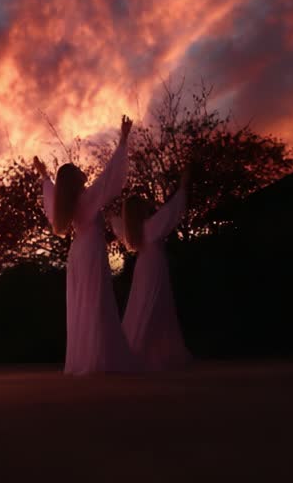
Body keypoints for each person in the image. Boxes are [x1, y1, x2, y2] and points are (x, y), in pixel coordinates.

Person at [34, 115, 136, 374]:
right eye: (79, 172)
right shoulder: (87, 199)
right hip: (89, 251)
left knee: (83, 302)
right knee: (96, 300)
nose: (83, 172)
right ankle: (98, 359)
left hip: (78, 252)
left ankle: (86, 358)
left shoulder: (67, 205)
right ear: (75, 180)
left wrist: (44, 175)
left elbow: (50, 193)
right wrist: (123, 139)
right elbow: (110, 177)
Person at [115, 166, 191, 370]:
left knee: (142, 303)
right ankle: (146, 351)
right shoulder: (150, 227)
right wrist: (182, 187)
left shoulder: (134, 232)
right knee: (154, 303)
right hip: (154, 264)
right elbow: (171, 212)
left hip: (144, 266)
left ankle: (140, 349)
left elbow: (117, 224)